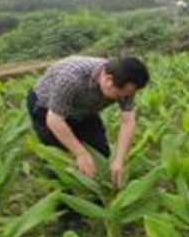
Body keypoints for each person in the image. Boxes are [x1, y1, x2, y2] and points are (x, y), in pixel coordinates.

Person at [27, 55, 150, 188]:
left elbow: (128, 121)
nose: (123, 98)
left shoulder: (125, 85)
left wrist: (119, 160)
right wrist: (80, 154)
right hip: (46, 107)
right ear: (108, 80)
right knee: (59, 159)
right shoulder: (72, 78)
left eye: (128, 95)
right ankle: (64, 198)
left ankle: (100, 192)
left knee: (101, 152)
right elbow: (54, 120)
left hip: (85, 109)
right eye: (120, 95)